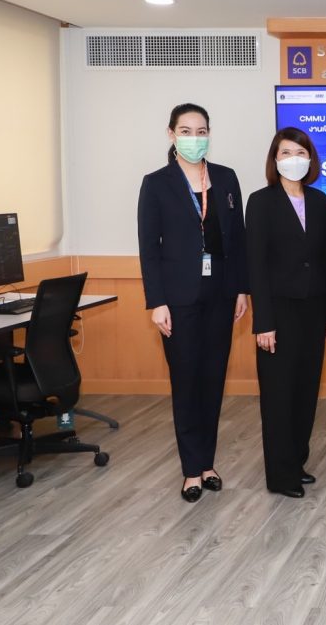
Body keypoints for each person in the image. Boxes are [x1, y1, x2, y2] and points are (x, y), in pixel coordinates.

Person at [137, 103, 248, 503]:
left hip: (221, 294)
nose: (194, 138)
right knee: (186, 381)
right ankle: (191, 469)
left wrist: (241, 289)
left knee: (213, 380)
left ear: (209, 134)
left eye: (201, 131)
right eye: (186, 131)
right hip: (178, 299)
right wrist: (157, 301)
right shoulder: (156, 183)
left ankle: (207, 463)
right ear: (171, 134)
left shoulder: (226, 177)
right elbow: (149, 249)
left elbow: (238, 240)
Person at [246, 127, 326, 499]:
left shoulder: (319, 200)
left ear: (310, 158)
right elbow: (256, 266)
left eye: (300, 152)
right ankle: (280, 476)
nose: (293, 159)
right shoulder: (261, 201)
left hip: (314, 309)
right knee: (278, 395)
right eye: (286, 152)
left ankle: (297, 463)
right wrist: (263, 321)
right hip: (278, 313)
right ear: (275, 159)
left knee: (305, 391)